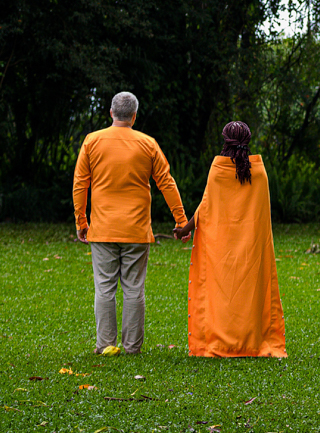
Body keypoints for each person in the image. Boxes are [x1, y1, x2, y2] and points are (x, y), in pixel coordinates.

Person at [72, 90, 188, 355]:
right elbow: (166, 183)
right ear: (134, 116)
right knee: (134, 289)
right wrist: (181, 220)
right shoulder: (148, 143)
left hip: (102, 229)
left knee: (105, 289)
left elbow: (80, 183)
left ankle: (106, 345)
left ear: (111, 113)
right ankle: (133, 348)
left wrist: (81, 221)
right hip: (136, 230)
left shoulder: (92, 141)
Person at [174, 120, 286, 358]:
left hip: (219, 246)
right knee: (249, 291)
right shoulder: (260, 172)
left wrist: (185, 229)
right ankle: (252, 341)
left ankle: (220, 341)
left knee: (222, 292)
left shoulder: (217, 171)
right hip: (253, 248)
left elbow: (205, 208)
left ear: (225, 141)